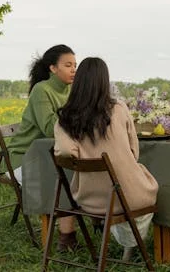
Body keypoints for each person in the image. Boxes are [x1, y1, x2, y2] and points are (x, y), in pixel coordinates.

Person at [53, 57, 159, 257]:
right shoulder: (118, 109)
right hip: (127, 197)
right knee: (147, 190)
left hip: (88, 199)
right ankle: (129, 248)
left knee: (118, 190)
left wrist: (83, 157)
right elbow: (134, 151)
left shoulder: (65, 118)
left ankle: (119, 240)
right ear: (104, 81)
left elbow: (66, 153)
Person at [7, 44, 76, 182]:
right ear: (53, 68)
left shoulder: (72, 90)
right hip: (25, 158)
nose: (74, 70)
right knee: (69, 180)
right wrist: (73, 106)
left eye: (75, 65)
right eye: (68, 65)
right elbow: (51, 130)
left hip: (53, 157)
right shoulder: (41, 90)